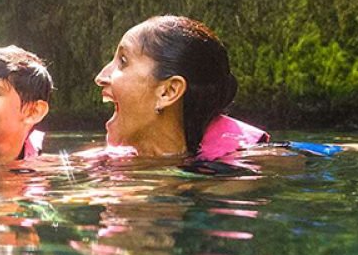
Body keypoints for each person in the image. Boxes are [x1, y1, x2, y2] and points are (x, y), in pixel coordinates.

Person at [86, 15, 268, 160]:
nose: (100, 77)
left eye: (123, 61)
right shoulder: (105, 161)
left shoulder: (250, 166)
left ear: (168, 91)